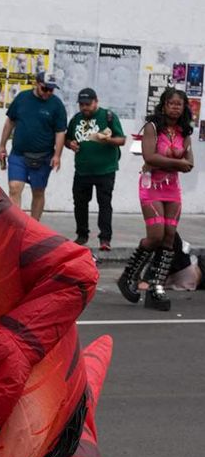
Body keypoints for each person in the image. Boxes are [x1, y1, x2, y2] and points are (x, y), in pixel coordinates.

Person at [117, 87, 194, 311]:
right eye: (171, 103)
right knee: (156, 235)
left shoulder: (184, 131)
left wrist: (172, 163)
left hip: (173, 189)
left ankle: (156, 288)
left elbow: (190, 164)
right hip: (152, 187)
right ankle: (129, 275)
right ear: (163, 105)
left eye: (179, 104)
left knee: (169, 237)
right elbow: (149, 157)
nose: (175, 107)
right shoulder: (152, 128)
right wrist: (177, 163)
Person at [0, 72, 67, 222]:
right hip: (19, 154)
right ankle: (16, 225)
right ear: (36, 83)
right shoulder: (22, 98)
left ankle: (33, 227)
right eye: (44, 89)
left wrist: (57, 155)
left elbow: (60, 132)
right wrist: (2, 145)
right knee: (14, 187)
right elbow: (10, 122)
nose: (48, 93)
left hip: (43, 156)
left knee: (38, 191)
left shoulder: (57, 105)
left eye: (51, 90)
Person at [65, 87, 125, 250]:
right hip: (82, 170)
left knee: (104, 204)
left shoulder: (108, 116)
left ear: (96, 102)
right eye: (82, 104)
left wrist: (108, 140)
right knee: (80, 203)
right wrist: (70, 144)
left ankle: (105, 239)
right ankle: (82, 235)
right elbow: (67, 138)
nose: (84, 107)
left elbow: (122, 140)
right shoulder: (76, 118)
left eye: (88, 104)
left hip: (105, 169)